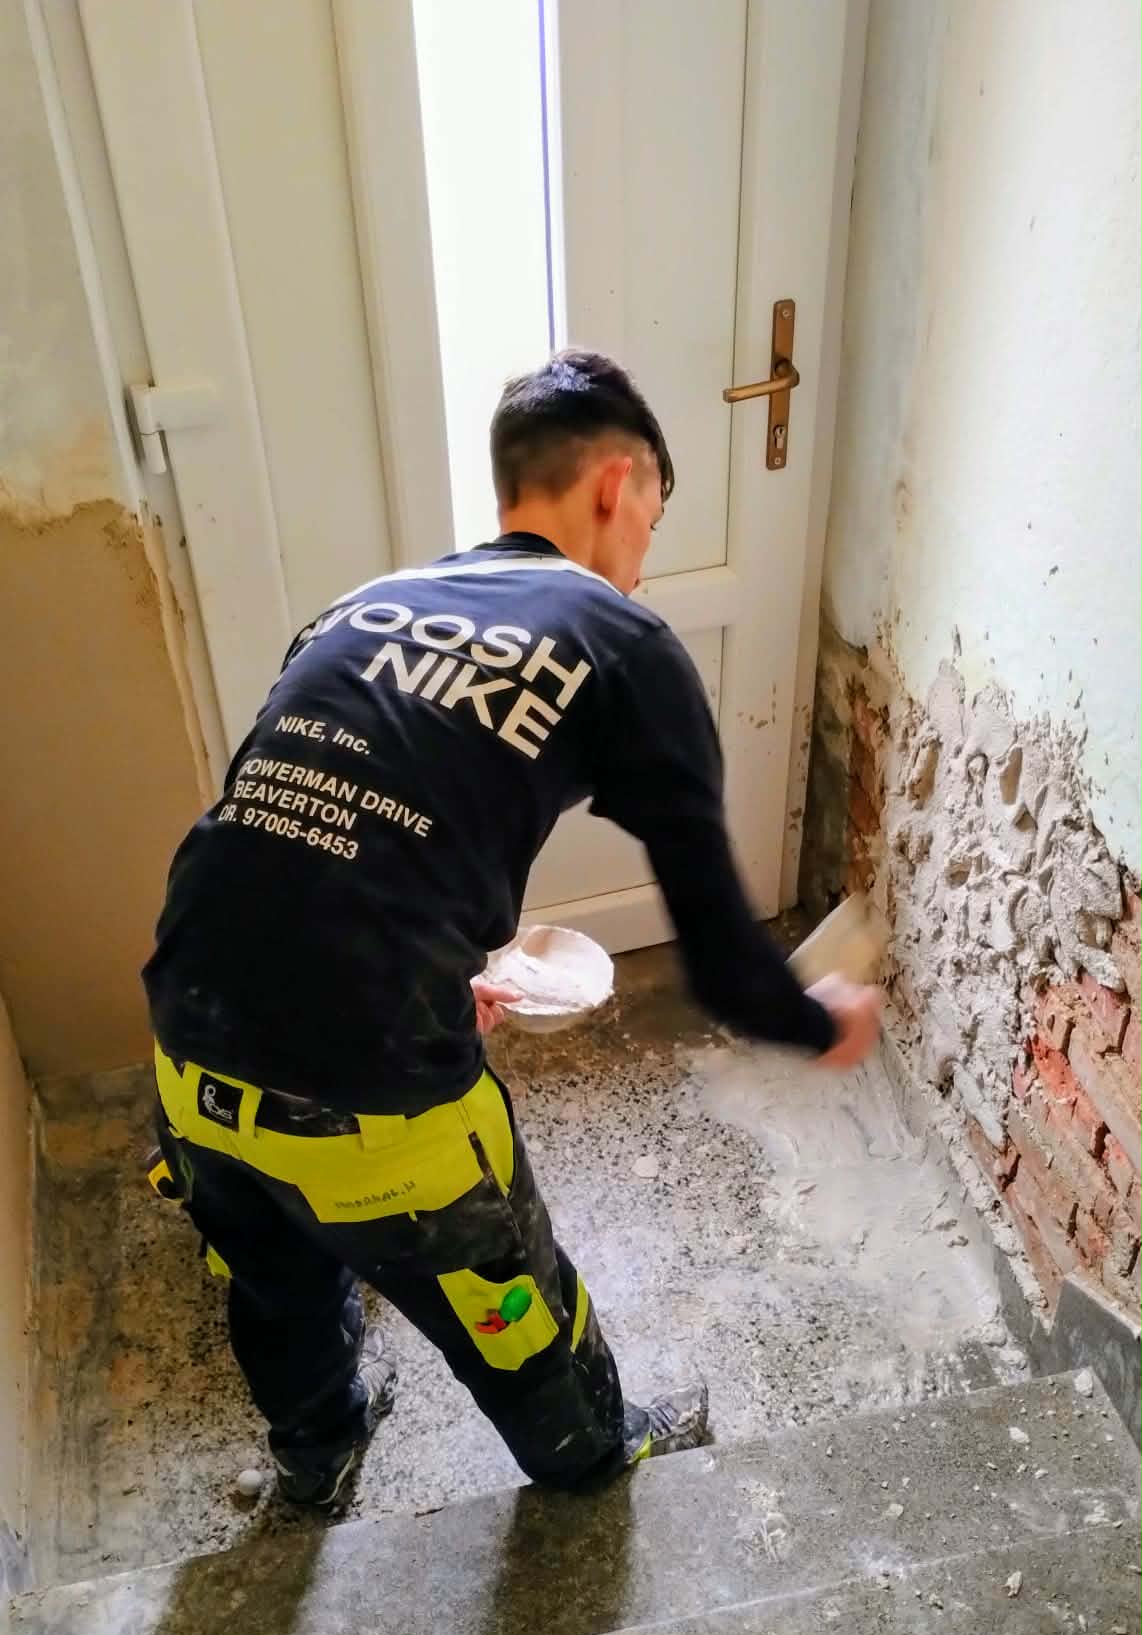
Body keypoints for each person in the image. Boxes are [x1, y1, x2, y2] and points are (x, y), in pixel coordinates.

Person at [143, 351, 881, 1509]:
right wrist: (814, 1018)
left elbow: (309, 837)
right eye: (650, 520)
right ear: (614, 485)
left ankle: (317, 1456)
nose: (642, 557)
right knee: (515, 1303)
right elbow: (724, 964)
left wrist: (444, 968)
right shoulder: (620, 642)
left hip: (186, 1045)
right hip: (373, 1103)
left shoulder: (359, 606)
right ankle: (594, 1454)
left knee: (272, 1273)